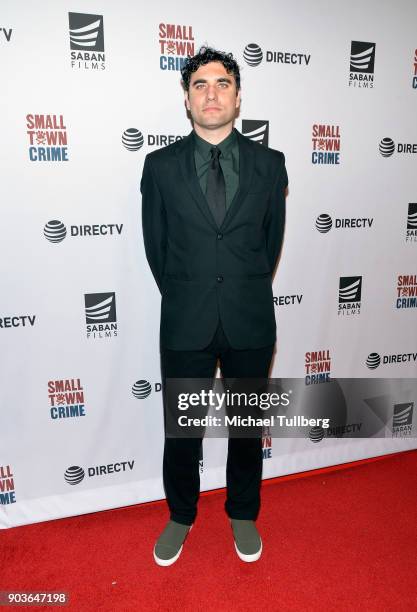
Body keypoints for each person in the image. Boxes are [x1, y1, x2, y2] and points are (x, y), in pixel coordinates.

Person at [141, 46, 288, 566]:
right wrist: (190, 290)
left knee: (247, 427)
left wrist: (240, 286)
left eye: (222, 83)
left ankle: (242, 511)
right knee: (182, 431)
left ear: (238, 95)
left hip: (250, 318)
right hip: (186, 319)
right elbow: (156, 247)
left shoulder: (271, 165)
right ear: (186, 99)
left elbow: (268, 246)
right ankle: (181, 515)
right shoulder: (158, 167)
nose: (211, 93)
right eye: (200, 85)